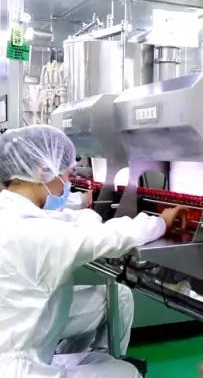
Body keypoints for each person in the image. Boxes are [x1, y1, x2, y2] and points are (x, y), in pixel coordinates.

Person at [0, 125, 185, 378]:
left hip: (19, 326)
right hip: (16, 367)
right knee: (127, 373)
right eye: (66, 175)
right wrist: (160, 222)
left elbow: (63, 223)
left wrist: (90, 211)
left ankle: (87, 361)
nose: (67, 183)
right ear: (42, 171)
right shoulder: (32, 232)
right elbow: (104, 239)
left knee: (117, 298)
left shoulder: (13, 211)